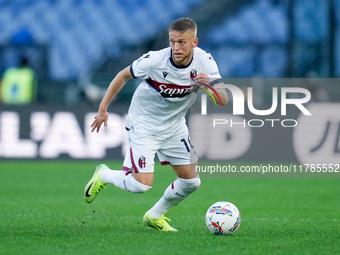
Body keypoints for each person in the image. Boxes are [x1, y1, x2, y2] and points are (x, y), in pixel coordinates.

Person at [84, 17, 228, 231]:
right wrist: (103, 109)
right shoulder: (154, 60)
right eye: (172, 41)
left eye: (182, 42)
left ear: (194, 43)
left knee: (191, 183)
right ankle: (104, 174)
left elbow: (223, 99)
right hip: (144, 125)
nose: (175, 48)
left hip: (174, 127)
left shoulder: (204, 61)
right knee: (141, 185)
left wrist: (207, 86)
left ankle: (154, 216)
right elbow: (122, 75)